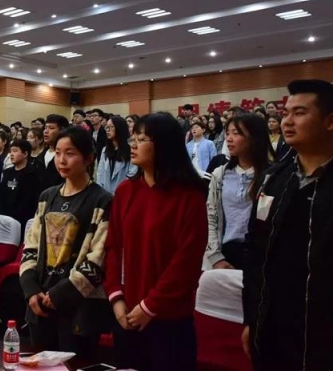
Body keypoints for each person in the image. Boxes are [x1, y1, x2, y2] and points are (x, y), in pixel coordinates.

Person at [242, 80, 333, 371]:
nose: (287, 121)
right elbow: (255, 255)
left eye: (299, 113)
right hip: (273, 333)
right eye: (285, 113)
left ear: (331, 121)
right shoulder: (273, 180)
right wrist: (251, 319)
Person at [104, 113, 207, 371]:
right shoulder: (126, 191)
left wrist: (149, 306)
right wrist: (116, 298)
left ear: (164, 144)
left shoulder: (189, 197)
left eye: (142, 139)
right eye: (133, 138)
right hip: (127, 315)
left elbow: (186, 262)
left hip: (169, 321)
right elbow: (113, 246)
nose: (133, 144)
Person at [20, 127, 112, 358]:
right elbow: (31, 246)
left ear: (88, 158)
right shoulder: (47, 196)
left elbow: (99, 258)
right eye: (58, 153)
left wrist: (60, 294)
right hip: (40, 302)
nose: (61, 160)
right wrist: (31, 289)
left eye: (70, 153)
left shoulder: (103, 200)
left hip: (78, 305)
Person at [205, 113, 272, 270]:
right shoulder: (220, 174)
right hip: (227, 253)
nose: (229, 139)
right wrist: (215, 257)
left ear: (254, 137)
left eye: (236, 133)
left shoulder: (271, 176)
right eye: (227, 133)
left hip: (261, 256)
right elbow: (211, 217)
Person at [0, 139, 41, 227]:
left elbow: (31, 200)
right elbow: (1, 196)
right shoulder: (7, 173)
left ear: (25, 154)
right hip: (5, 219)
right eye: (10, 151)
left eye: (15, 151)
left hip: (23, 220)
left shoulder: (33, 174)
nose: (11, 154)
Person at [96, 116, 137, 198]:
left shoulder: (131, 149)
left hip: (124, 194)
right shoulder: (105, 150)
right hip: (105, 195)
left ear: (119, 128)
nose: (108, 130)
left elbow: (132, 173)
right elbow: (100, 173)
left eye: (111, 127)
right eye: (106, 127)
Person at [36, 114, 70, 191]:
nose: (46, 131)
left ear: (62, 131)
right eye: (45, 128)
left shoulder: (66, 158)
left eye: (51, 128)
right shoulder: (40, 157)